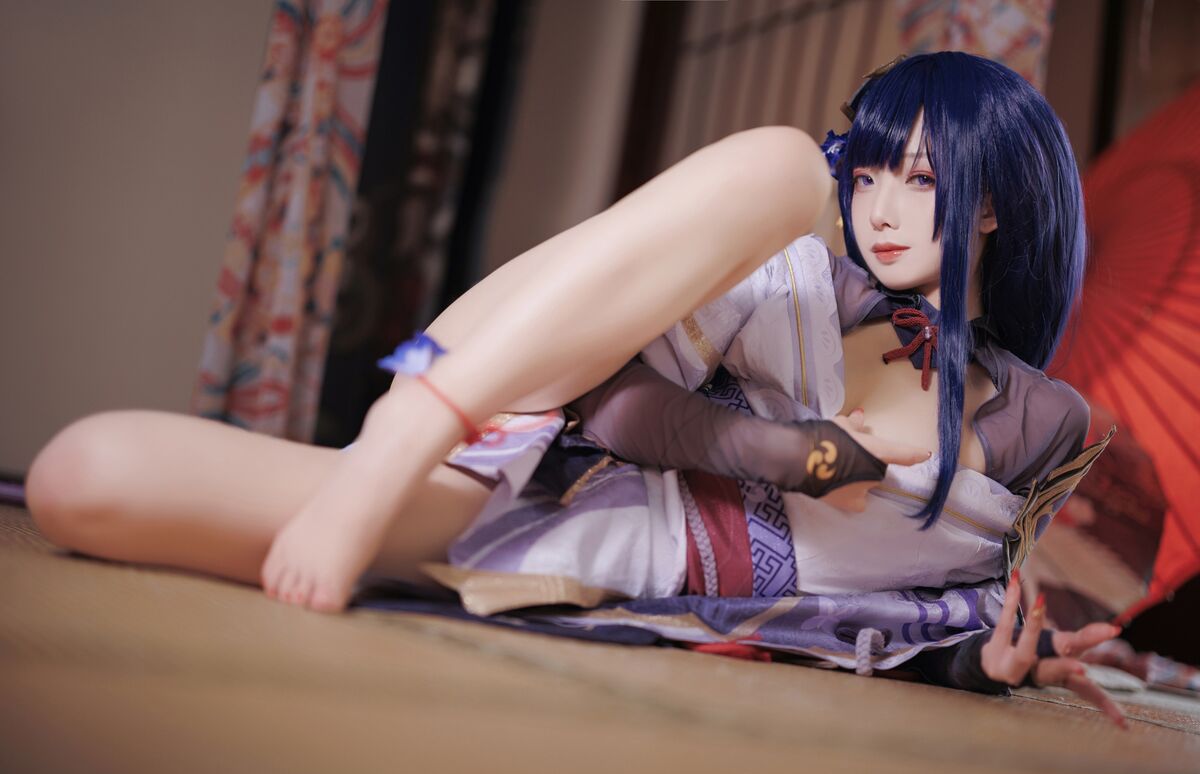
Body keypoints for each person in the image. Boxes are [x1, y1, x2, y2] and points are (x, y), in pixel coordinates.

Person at [24, 52, 1123, 725]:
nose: (879, 208)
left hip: (548, 558)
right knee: (783, 165)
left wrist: (990, 666)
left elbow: (927, 608)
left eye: (921, 180)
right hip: (516, 436)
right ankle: (403, 432)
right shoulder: (803, 274)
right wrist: (785, 453)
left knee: (82, 478)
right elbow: (612, 401)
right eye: (871, 173)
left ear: (990, 206)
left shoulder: (1052, 422)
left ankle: (383, 466)